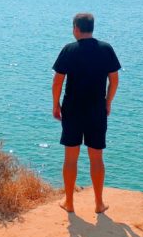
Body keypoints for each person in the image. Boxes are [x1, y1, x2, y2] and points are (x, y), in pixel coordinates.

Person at [52, 12, 121, 214]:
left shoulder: (69, 50)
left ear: (75, 28)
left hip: (72, 109)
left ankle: (70, 203)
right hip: (96, 109)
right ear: (92, 28)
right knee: (96, 157)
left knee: (71, 158)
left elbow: (57, 81)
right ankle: (99, 204)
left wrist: (55, 105)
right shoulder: (106, 49)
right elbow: (114, 80)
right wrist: (108, 103)